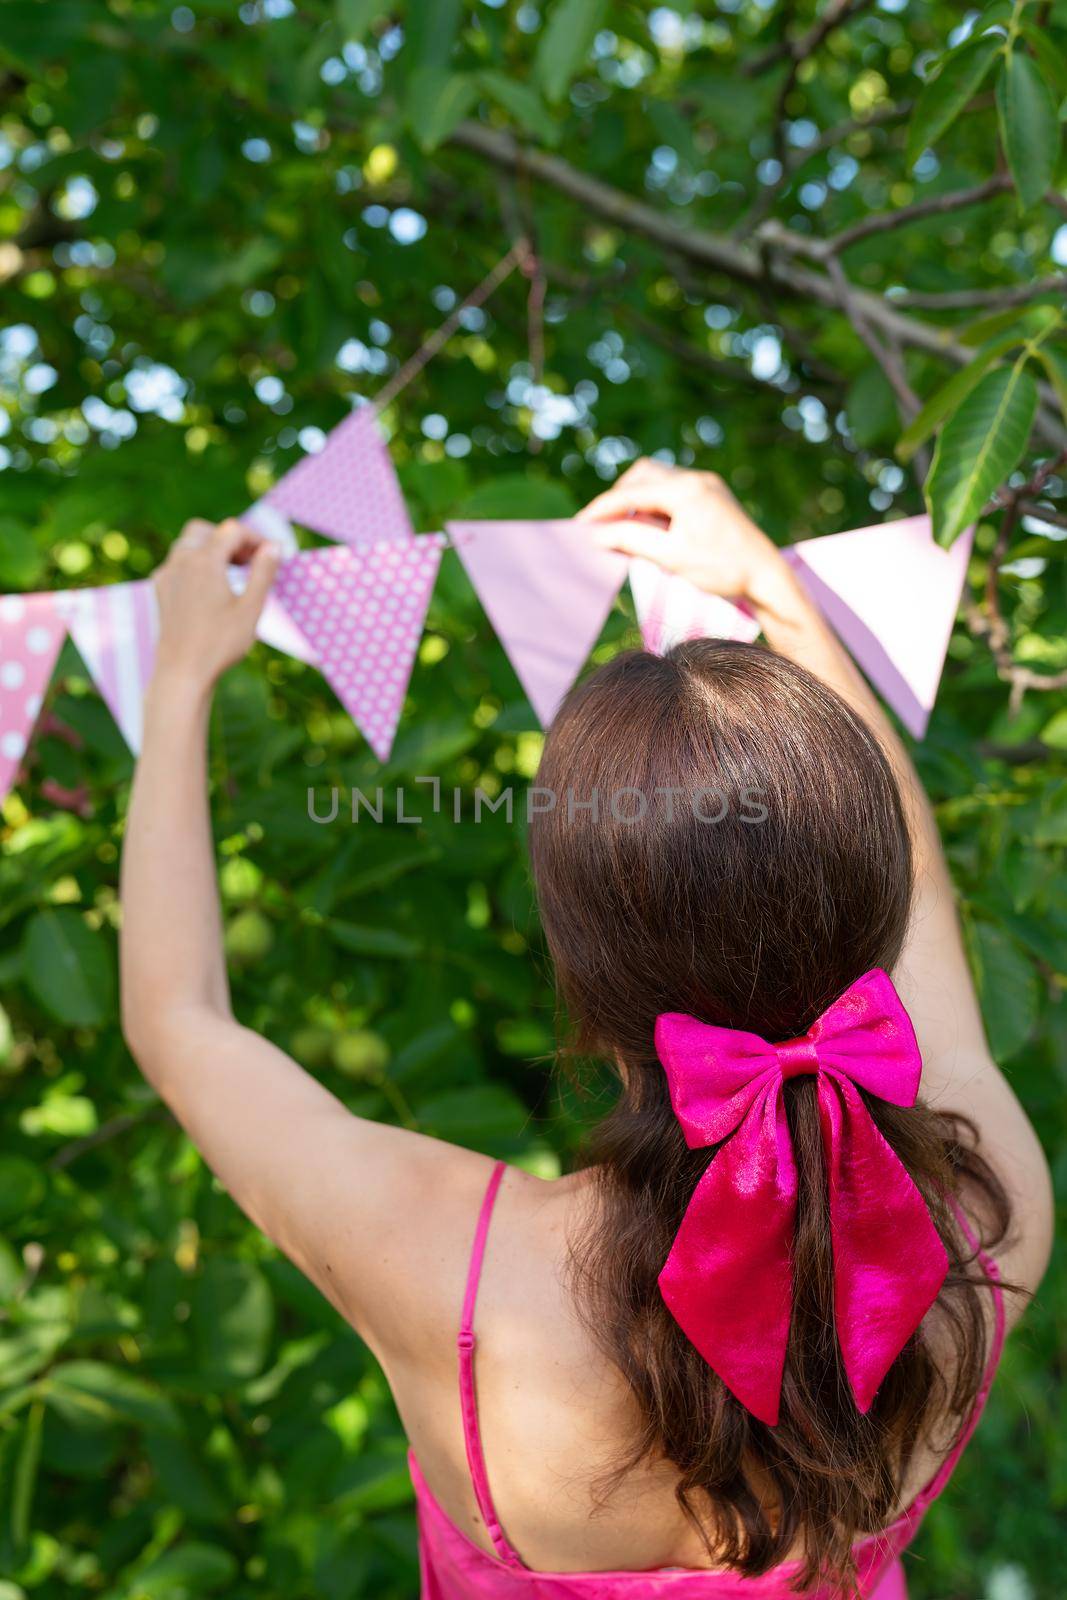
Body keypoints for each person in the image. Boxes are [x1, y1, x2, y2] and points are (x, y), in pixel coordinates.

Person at [120, 460, 1053, 1599]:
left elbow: (176, 1021)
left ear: (577, 971)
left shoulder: (450, 1271)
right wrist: (775, 591)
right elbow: (929, 899)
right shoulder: (982, 1215)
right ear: (876, 920)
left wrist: (178, 680)